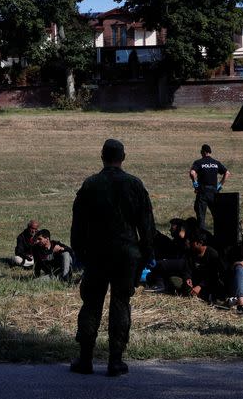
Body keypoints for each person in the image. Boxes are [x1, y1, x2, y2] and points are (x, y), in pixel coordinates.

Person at [70, 139, 155, 377]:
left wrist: (80, 253)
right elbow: (147, 226)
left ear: (102, 156)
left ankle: (85, 359)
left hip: (96, 254)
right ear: (123, 157)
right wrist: (146, 256)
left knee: (91, 304)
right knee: (120, 304)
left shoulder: (90, 185)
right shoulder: (135, 185)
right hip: (126, 255)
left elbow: (77, 225)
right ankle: (115, 361)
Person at [172, 230, 224, 302]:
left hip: (207, 283)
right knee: (174, 280)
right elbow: (187, 269)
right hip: (194, 281)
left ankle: (206, 295)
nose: (190, 243)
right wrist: (188, 278)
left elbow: (213, 275)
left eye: (192, 241)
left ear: (200, 243)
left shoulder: (213, 254)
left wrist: (200, 286)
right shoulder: (190, 252)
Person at [189, 144, 230, 232]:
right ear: (210, 152)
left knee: (201, 217)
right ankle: (219, 235)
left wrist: (195, 183)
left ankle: (202, 238)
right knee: (217, 216)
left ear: (203, 152)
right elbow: (227, 173)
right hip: (214, 192)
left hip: (203, 192)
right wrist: (220, 185)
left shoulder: (199, 162)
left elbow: (192, 173)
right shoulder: (216, 163)